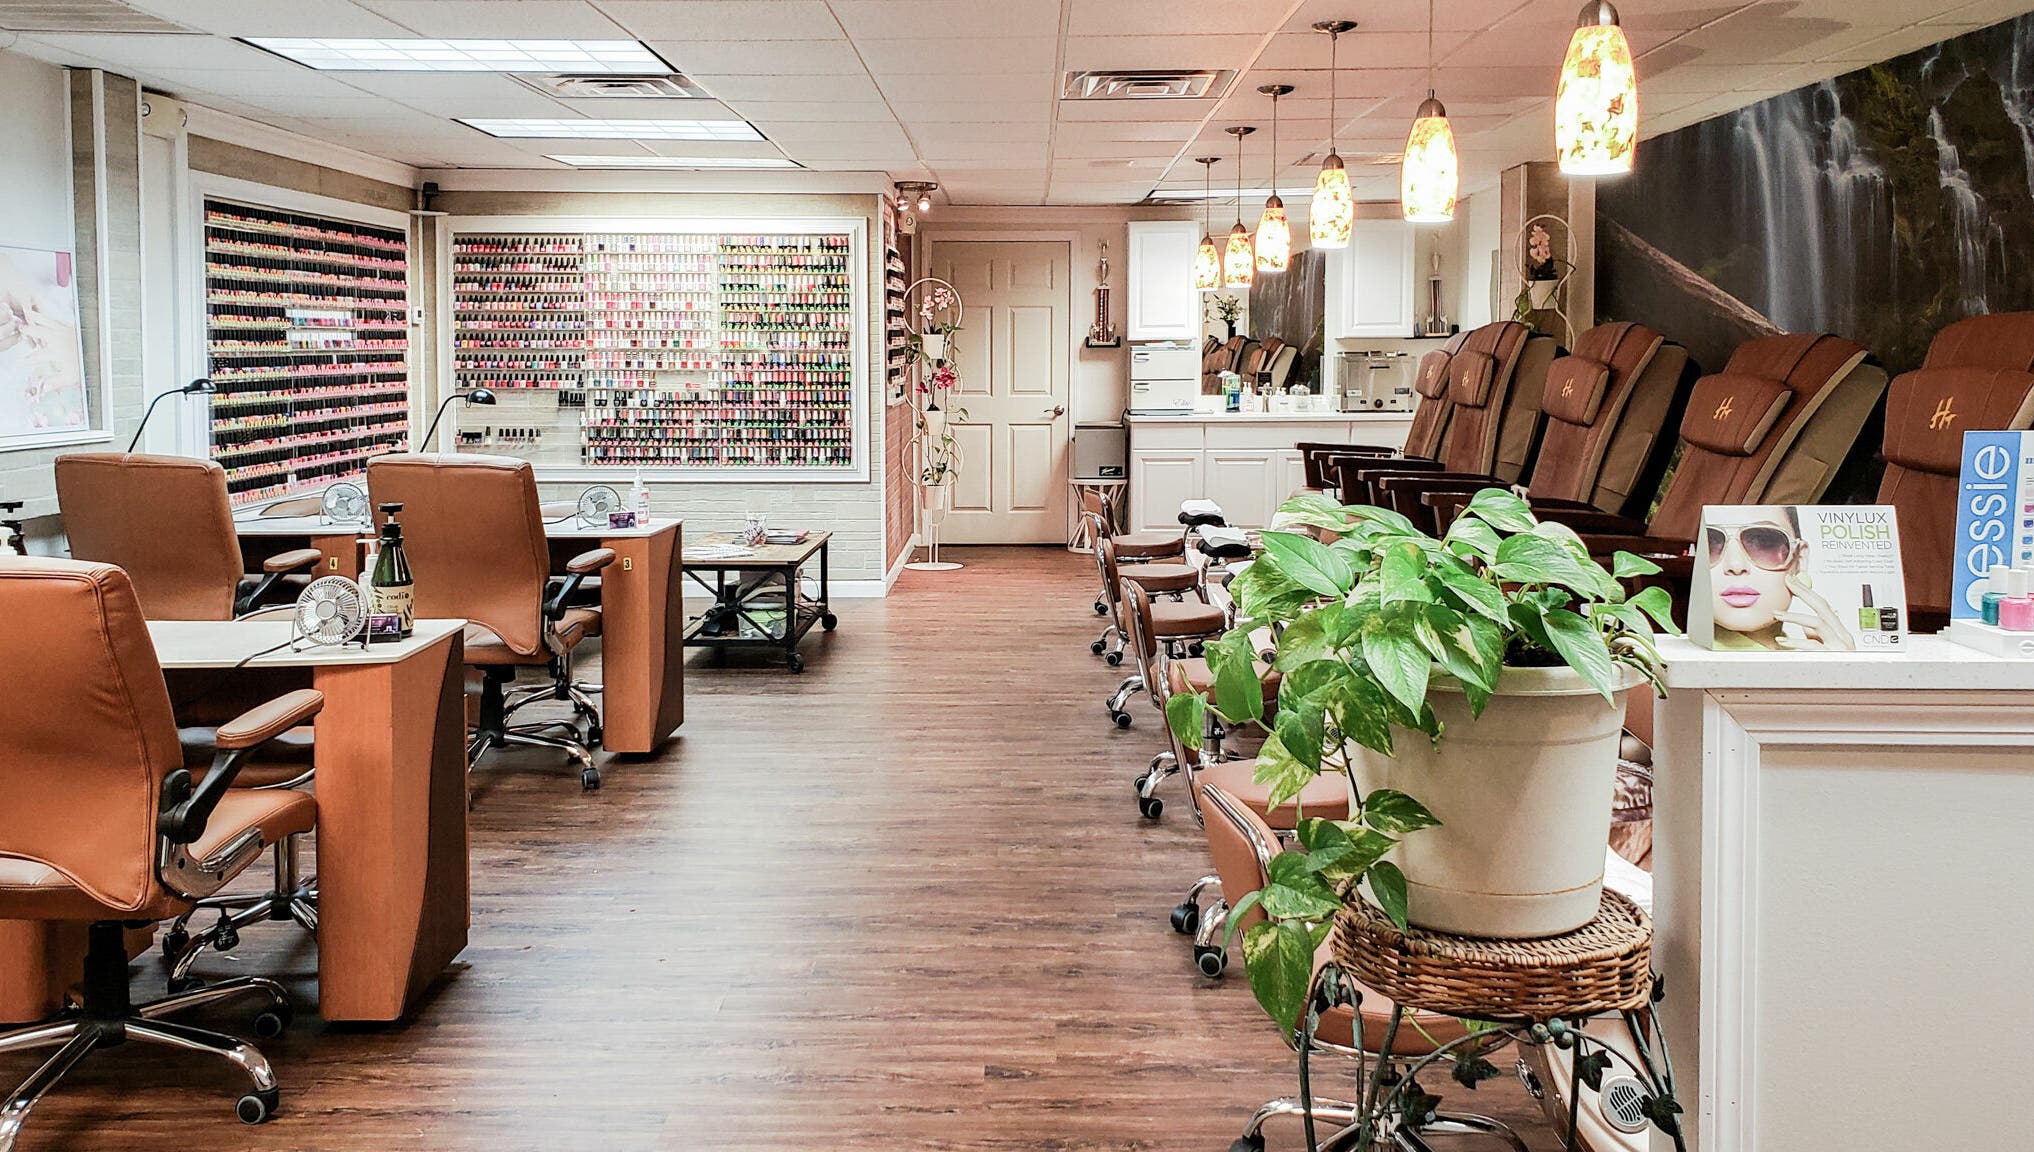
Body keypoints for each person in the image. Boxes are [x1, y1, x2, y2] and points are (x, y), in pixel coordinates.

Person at [1705, 506, 1855, 651]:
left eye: (1764, 541)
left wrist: (1843, 670)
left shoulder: (1812, 658)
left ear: (1800, 559)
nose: (1736, 565)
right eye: (1710, 543)